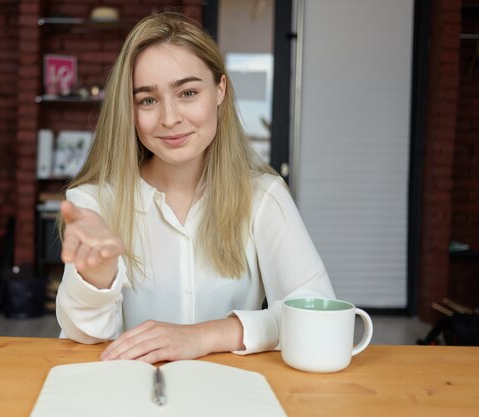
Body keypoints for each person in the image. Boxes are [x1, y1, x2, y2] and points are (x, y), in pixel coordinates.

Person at [56, 12, 335, 364]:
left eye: (187, 92)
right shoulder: (93, 202)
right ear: (130, 110)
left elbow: (318, 312)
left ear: (220, 90)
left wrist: (204, 336)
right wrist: (97, 277)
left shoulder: (264, 196)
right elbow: (83, 338)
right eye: (147, 100)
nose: (170, 118)